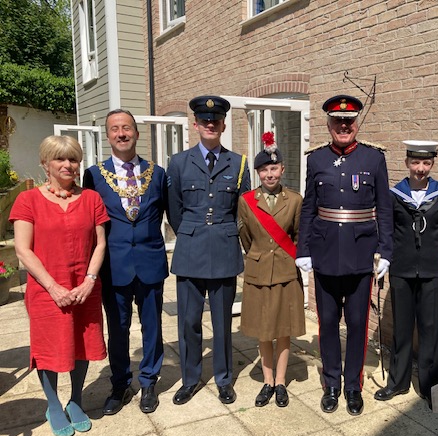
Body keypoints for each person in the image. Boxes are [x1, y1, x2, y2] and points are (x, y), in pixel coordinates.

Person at [296, 94, 393, 416]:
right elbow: (309, 206)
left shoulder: (373, 158)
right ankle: (332, 383)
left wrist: (386, 251)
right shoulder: (316, 159)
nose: (343, 126)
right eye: (337, 121)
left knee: (356, 323)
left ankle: (353, 386)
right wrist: (304, 250)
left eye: (348, 121)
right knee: (326, 322)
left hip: (361, 255)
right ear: (328, 124)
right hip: (324, 254)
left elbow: (385, 209)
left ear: (356, 124)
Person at [11, 135, 109, 436]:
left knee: (83, 345)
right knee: (49, 348)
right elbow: (22, 250)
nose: (68, 165)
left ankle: (76, 399)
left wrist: (89, 281)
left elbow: (100, 243)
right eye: (60, 159)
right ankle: (53, 403)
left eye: (73, 159)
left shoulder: (91, 199)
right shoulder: (27, 200)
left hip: (84, 289)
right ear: (45, 163)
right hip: (46, 291)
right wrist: (53, 287)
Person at [83, 109, 169, 415]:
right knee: (117, 328)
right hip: (113, 264)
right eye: (115, 129)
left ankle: (149, 381)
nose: (122, 134)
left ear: (136, 132)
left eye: (127, 128)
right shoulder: (93, 175)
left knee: (152, 325)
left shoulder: (157, 173)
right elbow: (88, 222)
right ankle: (120, 384)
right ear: (107, 135)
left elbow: (170, 214)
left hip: (150, 262)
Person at [167, 95, 251, 405]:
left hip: (225, 250)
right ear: (196, 125)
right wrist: (191, 234)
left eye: (215, 121)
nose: (210, 124)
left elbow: (243, 210)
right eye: (204, 120)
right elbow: (174, 209)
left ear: (224, 125)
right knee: (188, 321)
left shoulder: (239, 163)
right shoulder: (178, 162)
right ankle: (190, 380)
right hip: (190, 251)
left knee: (222, 323)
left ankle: (224, 379)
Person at [374, 141, 438, 407]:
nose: (421, 169)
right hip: (402, 271)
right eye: (416, 163)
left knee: (431, 331)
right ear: (407, 163)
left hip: (432, 272)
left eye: (426, 163)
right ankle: (398, 382)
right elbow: (386, 229)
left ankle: (431, 386)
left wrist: (431, 256)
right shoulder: (394, 194)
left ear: (432, 164)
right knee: (402, 328)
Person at [237, 133, 305, 408]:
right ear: (258, 173)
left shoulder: (295, 199)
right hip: (259, 272)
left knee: (284, 330)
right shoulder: (246, 200)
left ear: (282, 169)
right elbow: (246, 239)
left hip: (286, 273)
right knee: (264, 330)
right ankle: (267, 381)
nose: (269, 174)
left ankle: (280, 382)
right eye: (264, 170)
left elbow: (299, 236)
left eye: (274, 168)